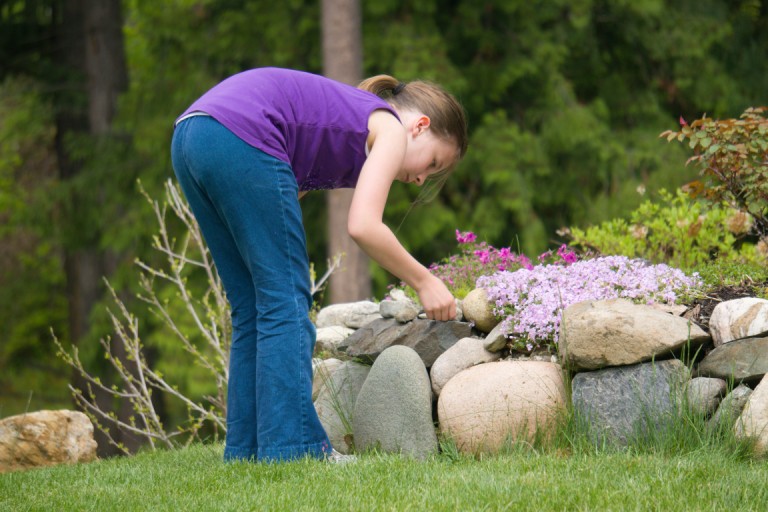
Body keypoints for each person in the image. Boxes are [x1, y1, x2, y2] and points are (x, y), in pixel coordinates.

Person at [170, 67, 468, 463]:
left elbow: (282, 190)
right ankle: (295, 450)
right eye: (432, 163)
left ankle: (247, 453)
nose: (420, 179)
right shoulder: (392, 128)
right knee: (285, 301)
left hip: (193, 134)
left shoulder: (353, 123)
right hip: (240, 131)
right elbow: (363, 225)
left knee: (253, 305)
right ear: (420, 126)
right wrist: (424, 280)